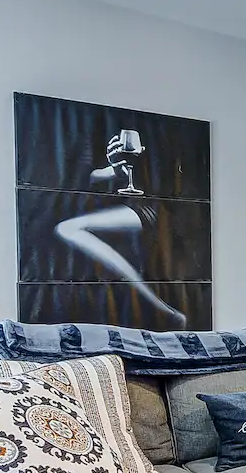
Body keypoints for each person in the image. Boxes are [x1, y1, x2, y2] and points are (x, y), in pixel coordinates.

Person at [54, 133, 188, 329]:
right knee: (63, 229)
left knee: (67, 229)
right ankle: (161, 311)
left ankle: (161, 310)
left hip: (156, 204)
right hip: (117, 200)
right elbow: (85, 174)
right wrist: (115, 170)